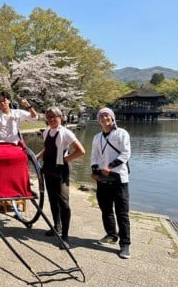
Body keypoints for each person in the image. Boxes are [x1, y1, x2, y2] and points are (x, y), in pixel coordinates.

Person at [36, 107, 85, 248]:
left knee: (64, 202)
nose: (51, 119)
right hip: (48, 169)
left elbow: (81, 151)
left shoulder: (66, 133)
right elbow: (48, 148)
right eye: (49, 117)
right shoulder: (46, 132)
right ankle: (56, 227)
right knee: (52, 199)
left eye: (54, 116)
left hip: (61, 171)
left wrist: (65, 160)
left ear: (60, 117)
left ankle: (65, 236)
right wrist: (36, 157)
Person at [90, 107, 132, 259]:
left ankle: (125, 243)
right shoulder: (97, 137)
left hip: (119, 177)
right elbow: (94, 155)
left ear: (113, 118)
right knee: (106, 208)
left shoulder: (122, 133)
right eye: (101, 117)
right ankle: (111, 234)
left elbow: (126, 153)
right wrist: (95, 171)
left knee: (122, 211)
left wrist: (111, 166)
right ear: (99, 120)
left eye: (107, 116)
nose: (104, 119)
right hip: (103, 177)